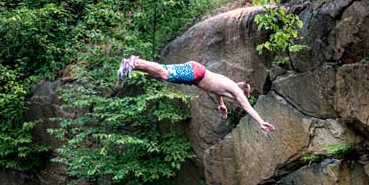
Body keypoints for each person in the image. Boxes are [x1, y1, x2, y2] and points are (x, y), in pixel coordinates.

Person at [117, 56, 275, 132]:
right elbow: (248, 107)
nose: (240, 101)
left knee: (163, 71)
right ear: (242, 93)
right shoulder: (235, 90)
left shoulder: (229, 87)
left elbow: (216, 90)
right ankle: (135, 62)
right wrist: (261, 122)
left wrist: (221, 104)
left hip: (195, 72)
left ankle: (131, 64)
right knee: (165, 74)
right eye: (242, 98)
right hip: (196, 73)